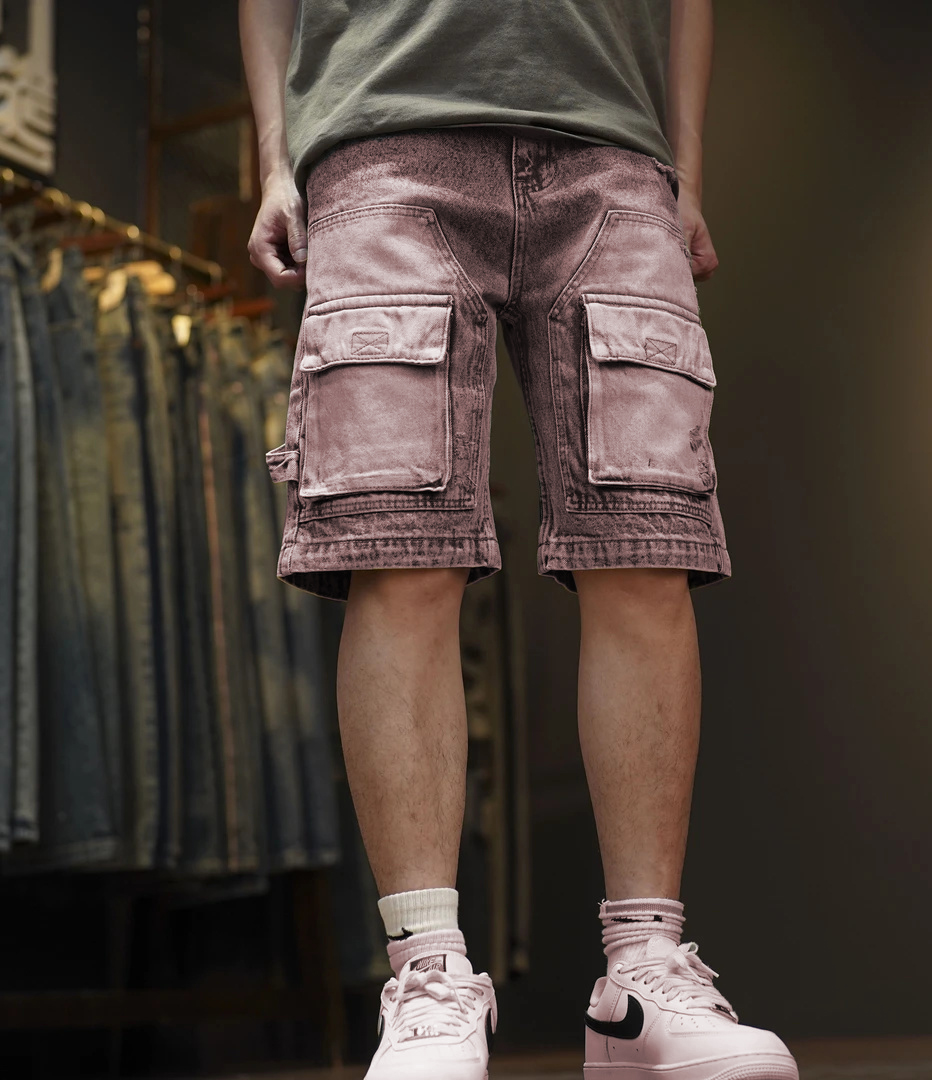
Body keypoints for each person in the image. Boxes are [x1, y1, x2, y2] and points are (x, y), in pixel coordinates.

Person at [239, 1, 799, 1077]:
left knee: (645, 546)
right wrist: (275, 156)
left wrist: (684, 170)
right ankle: (427, 983)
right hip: (379, 133)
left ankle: (643, 979)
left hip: (615, 154)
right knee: (400, 552)